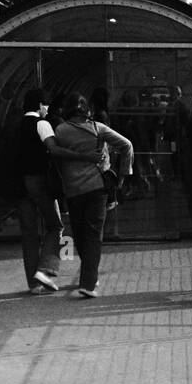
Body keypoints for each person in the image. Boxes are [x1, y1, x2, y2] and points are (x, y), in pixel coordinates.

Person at [0, 88, 98, 294]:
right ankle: (45, 269)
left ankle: (33, 284)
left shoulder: (11, 126)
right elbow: (54, 149)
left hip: (18, 187)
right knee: (55, 226)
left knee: (29, 234)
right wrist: (82, 157)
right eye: (45, 105)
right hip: (38, 183)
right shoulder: (41, 123)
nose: (47, 109)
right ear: (39, 105)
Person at [47, 94, 134, 298]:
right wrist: (122, 176)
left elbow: (56, 155)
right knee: (94, 235)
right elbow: (127, 145)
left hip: (73, 189)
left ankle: (89, 275)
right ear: (87, 110)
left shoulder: (60, 130)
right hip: (96, 188)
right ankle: (88, 282)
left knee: (79, 233)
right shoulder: (98, 128)